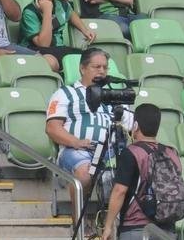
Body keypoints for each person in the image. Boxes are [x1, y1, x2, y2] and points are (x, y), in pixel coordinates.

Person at [46, 48, 132, 197]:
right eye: (96, 67)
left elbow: (133, 127)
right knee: (85, 174)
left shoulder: (114, 95)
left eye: (105, 67)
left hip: (111, 152)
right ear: (82, 68)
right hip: (78, 150)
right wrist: (75, 142)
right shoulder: (65, 93)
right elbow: (52, 128)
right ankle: (80, 220)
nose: (102, 71)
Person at [100, 102, 183, 240]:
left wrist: (108, 226)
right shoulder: (171, 153)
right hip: (167, 230)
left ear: (136, 125)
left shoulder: (131, 152)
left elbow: (120, 191)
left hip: (135, 228)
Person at [18, 0, 95, 71]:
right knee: (58, 60)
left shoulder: (62, 4)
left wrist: (84, 30)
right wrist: (47, 11)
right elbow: (43, 44)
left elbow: (71, 13)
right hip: (35, 51)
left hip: (58, 48)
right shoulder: (29, 12)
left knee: (92, 55)